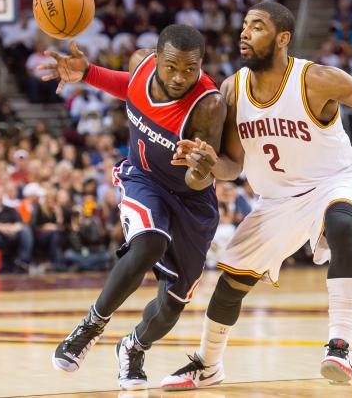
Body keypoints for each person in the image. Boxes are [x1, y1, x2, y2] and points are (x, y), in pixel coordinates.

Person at [162, 1, 352, 389]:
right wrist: (208, 162)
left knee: (340, 223)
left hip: (335, 182)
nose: (244, 32)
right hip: (276, 202)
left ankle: (340, 345)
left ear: (282, 38)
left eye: (257, 26)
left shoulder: (315, 79)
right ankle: (208, 365)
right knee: (230, 284)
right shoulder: (232, 89)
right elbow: (232, 166)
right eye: (244, 25)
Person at [37, 24, 226, 390]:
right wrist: (88, 73)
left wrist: (200, 169)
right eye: (171, 67)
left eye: (190, 69)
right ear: (156, 59)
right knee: (150, 241)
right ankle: (91, 325)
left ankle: (133, 347)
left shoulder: (208, 105)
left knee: (173, 302)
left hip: (192, 199)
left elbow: (199, 180)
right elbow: (130, 87)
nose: (180, 77)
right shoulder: (140, 64)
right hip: (143, 179)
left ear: (201, 64)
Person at [0, 184, 33, 273]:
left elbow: (20, 224)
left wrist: (10, 229)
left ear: (3, 195)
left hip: (11, 236)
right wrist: (2, 228)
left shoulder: (11, 210)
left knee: (26, 229)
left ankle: (23, 261)